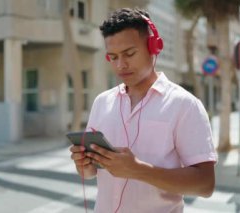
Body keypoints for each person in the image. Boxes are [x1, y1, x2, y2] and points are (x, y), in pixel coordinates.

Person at [69, 8, 217, 213]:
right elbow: (90, 172)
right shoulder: (101, 102)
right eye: (113, 57)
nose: (121, 65)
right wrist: (83, 165)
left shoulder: (185, 105)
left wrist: (138, 170)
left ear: (153, 47)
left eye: (129, 54)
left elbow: (205, 184)